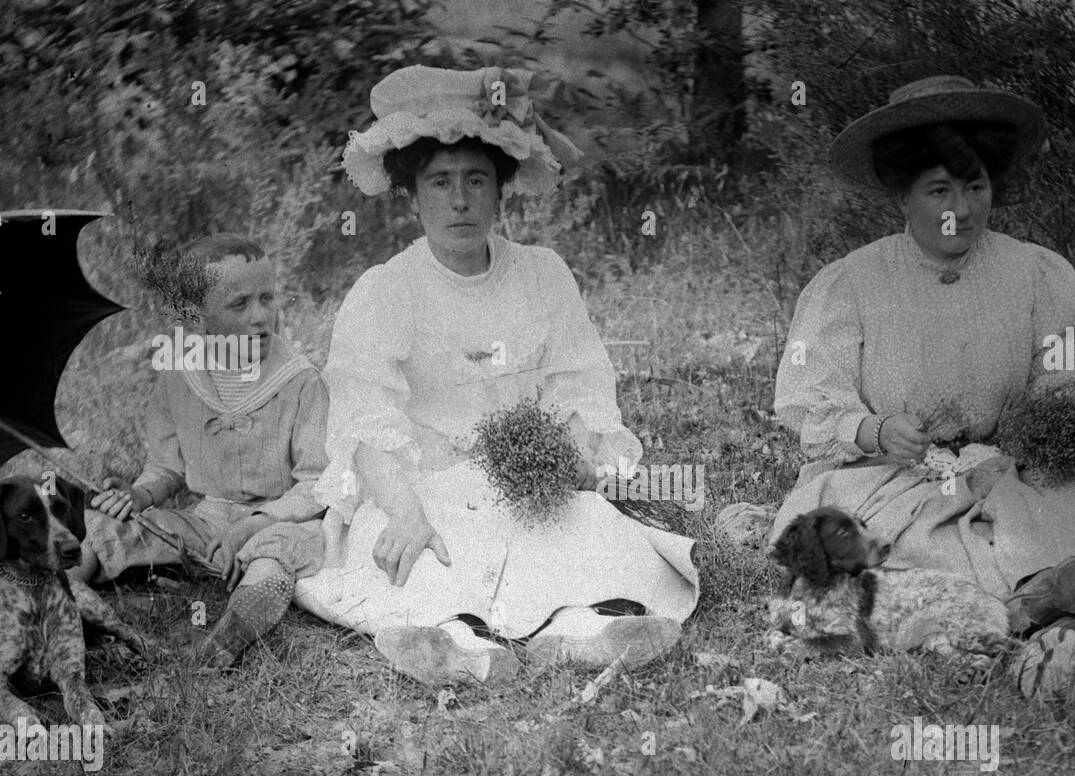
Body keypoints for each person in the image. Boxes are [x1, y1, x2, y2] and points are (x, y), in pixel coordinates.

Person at [771, 75, 1075, 632]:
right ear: (902, 196)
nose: (962, 209)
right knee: (894, 534)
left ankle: (1041, 583)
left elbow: (1073, 379)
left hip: (1015, 468)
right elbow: (808, 398)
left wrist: (1030, 438)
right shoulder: (850, 283)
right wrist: (875, 430)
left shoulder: (1036, 273)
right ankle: (1026, 592)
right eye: (939, 191)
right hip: (894, 474)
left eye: (976, 187)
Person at [293, 65, 698, 683]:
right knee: (426, 552)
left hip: (522, 480)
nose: (459, 201)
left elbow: (576, 386)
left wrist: (571, 460)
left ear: (499, 190)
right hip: (419, 480)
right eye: (440, 182)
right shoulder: (383, 291)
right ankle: (457, 638)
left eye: (476, 180)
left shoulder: (542, 274)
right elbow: (366, 419)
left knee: (589, 529)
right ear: (413, 194)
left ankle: (582, 626)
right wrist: (403, 510)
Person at [74, 234, 328, 664]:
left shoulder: (300, 382)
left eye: (268, 298)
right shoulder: (180, 377)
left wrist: (253, 526)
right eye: (239, 303)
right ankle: (56, 603)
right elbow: (166, 466)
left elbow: (317, 483)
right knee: (99, 526)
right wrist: (140, 494)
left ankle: (221, 645)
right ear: (196, 316)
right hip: (207, 519)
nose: (260, 317)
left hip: (277, 519)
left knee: (276, 556)